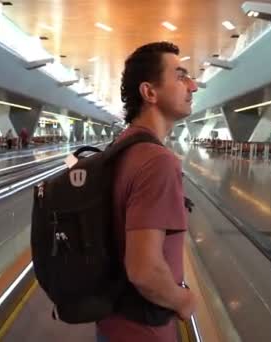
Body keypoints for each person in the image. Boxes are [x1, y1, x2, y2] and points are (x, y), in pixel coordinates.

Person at [96, 42, 198, 342]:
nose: (192, 85)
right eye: (180, 76)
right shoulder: (157, 161)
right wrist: (183, 300)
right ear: (150, 93)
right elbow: (144, 270)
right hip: (143, 332)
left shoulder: (122, 148)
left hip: (112, 322)